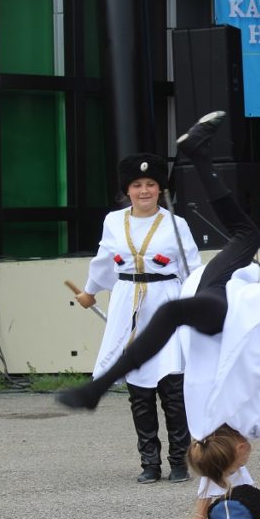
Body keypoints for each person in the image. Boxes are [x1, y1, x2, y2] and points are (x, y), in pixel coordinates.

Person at [58, 112, 260, 519]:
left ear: (235, 450)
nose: (235, 473)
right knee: (242, 237)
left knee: (211, 271)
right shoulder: (220, 426)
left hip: (217, 318)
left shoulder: (224, 427)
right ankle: (195, 154)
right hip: (217, 316)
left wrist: (202, 518)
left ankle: (98, 386)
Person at [73, 152, 201, 484]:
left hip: (167, 303)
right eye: (137, 185)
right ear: (127, 190)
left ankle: (180, 460)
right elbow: (103, 262)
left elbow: (192, 270)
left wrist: (199, 307)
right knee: (138, 388)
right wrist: (89, 292)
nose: (144, 191)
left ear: (160, 189)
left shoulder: (177, 224)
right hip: (127, 303)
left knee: (172, 386)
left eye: (151, 185)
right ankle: (149, 462)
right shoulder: (113, 222)